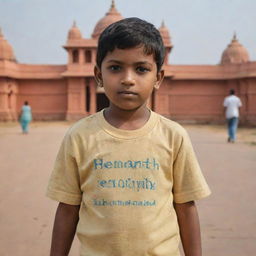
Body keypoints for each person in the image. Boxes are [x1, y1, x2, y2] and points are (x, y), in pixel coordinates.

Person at [46, 17, 211, 256]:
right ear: (98, 74)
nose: (128, 79)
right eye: (115, 67)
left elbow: (185, 207)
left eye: (141, 69)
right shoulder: (80, 136)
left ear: (158, 78)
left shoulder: (173, 136)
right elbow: (68, 208)